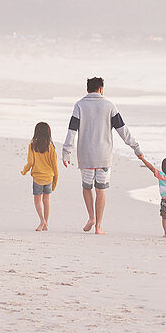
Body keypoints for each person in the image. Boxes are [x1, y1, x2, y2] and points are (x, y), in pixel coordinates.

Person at [62, 76, 148, 235]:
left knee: (87, 187)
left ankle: (91, 217)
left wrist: (66, 152)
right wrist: (137, 149)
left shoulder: (79, 105)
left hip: (85, 155)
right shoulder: (109, 105)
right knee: (100, 190)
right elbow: (123, 130)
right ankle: (98, 226)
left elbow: (72, 130)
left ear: (87, 90)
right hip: (103, 156)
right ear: (101, 89)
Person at [21, 121, 58, 231]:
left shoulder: (32, 146)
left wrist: (24, 171)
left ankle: (42, 220)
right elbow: (55, 167)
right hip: (49, 178)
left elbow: (30, 162)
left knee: (37, 201)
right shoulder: (51, 148)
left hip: (37, 178)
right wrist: (55, 181)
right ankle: (46, 224)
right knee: (46, 200)